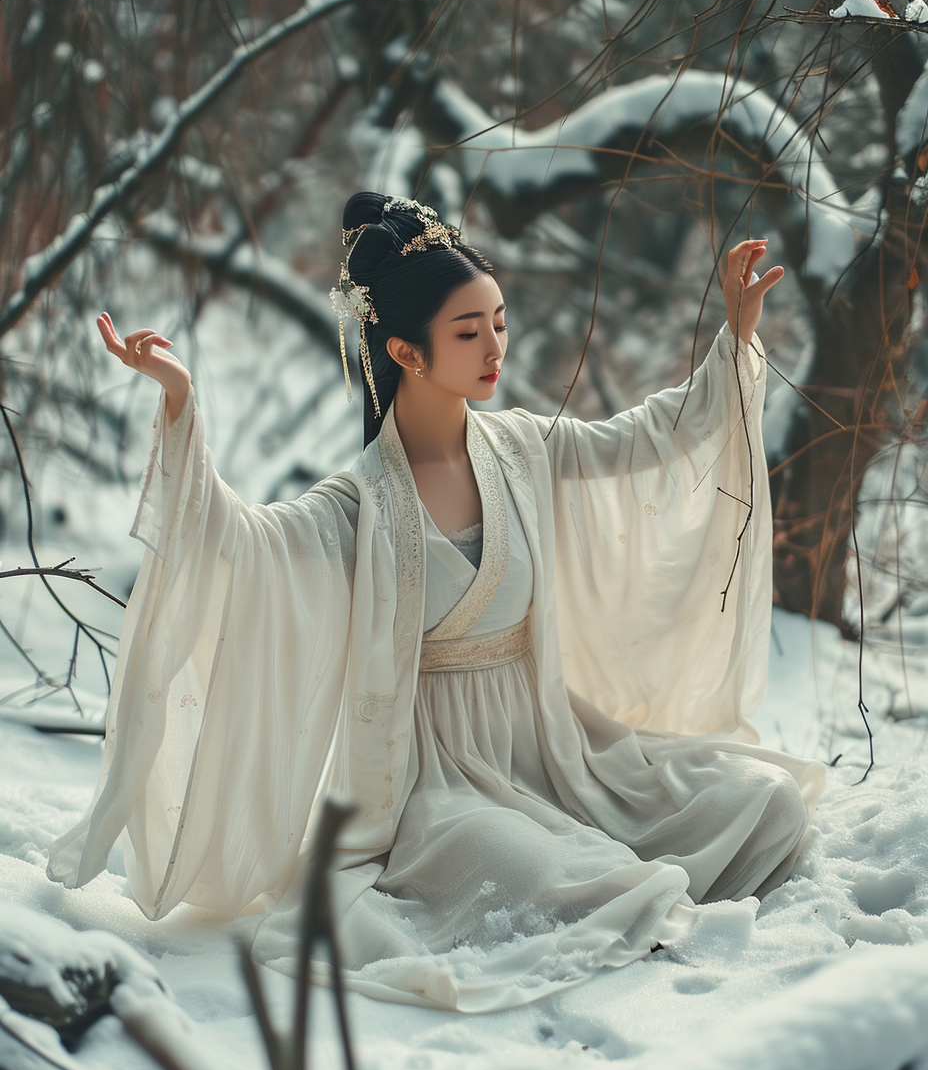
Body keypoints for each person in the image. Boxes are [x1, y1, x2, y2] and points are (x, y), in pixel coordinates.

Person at [47, 193, 825, 1011]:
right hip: (443, 789)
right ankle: (582, 878)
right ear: (405, 351)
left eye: (498, 321)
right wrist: (179, 406)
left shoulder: (524, 446)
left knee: (763, 806)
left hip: (561, 753)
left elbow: (654, 437)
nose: (495, 347)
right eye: (468, 331)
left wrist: (733, 331)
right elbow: (235, 545)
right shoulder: (356, 506)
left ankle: (610, 855)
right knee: (577, 881)